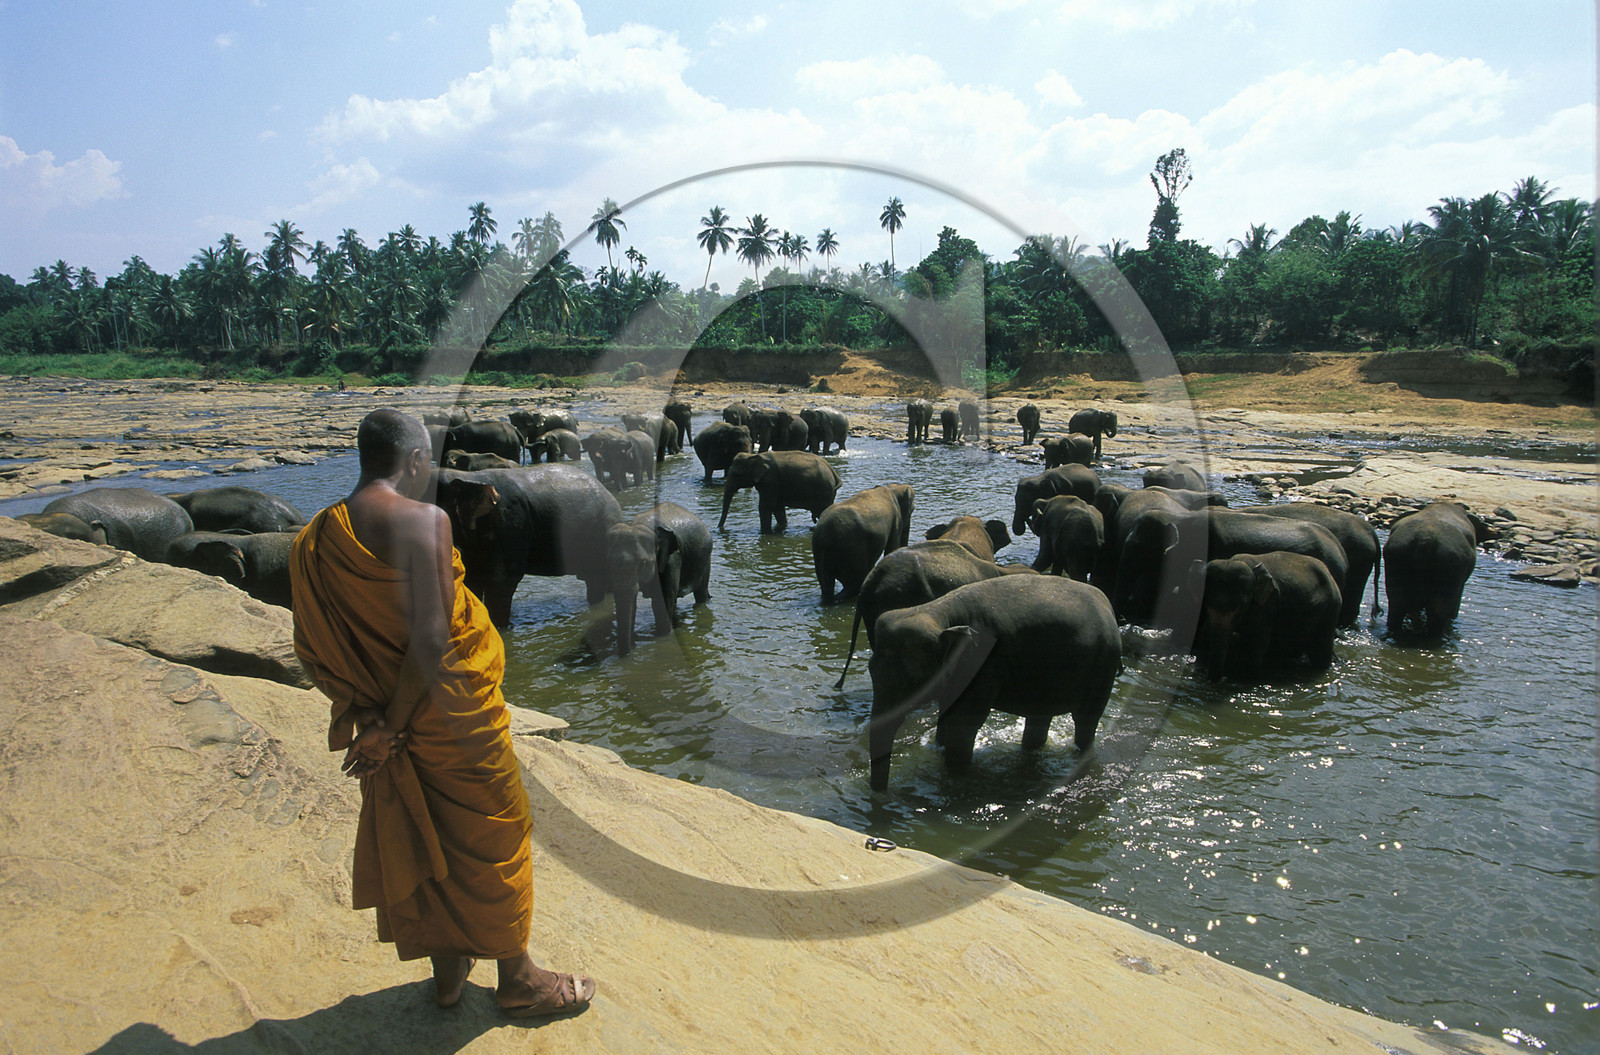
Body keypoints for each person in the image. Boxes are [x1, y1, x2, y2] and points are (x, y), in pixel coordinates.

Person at [289, 407, 595, 1016]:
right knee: (498, 833)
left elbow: (317, 646)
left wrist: (374, 722)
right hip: (449, 719)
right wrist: (393, 730)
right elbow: (430, 640)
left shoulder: (317, 536)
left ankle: (449, 973)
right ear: (417, 462)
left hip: (389, 717)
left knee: (423, 830)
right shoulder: (425, 519)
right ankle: (518, 980)